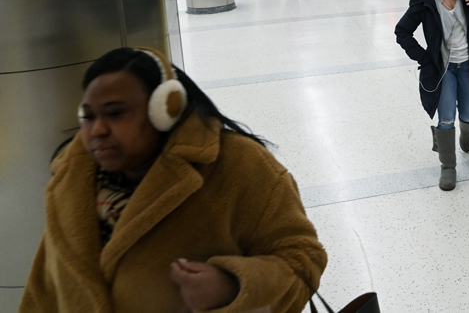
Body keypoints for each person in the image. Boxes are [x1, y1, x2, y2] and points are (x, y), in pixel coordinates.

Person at [19, 47, 327, 312]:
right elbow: (44, 289)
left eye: (115, 113)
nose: (97, 130)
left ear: (164, 109)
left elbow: (303, 259)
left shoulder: (236, 167)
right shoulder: (70, 183)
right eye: (88, 116)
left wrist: (233, 286)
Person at [394, 0, 469, 191]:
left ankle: (467, 128)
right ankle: (448, 166)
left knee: (467, 113)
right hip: (443, 70)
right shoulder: (424, 1)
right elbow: (402, 32)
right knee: (446, 117)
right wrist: (425, 58)